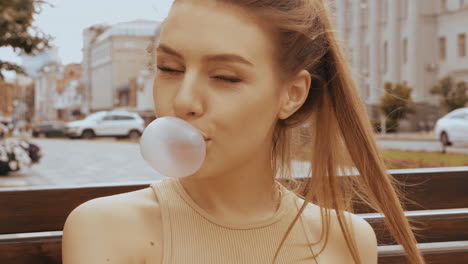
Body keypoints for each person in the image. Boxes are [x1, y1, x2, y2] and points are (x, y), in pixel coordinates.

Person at [62, 0, 424, 263]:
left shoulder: (348, 240)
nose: (184, 100)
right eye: (169, 68)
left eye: (225, 77)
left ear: (292, 95)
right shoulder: (105, 230)